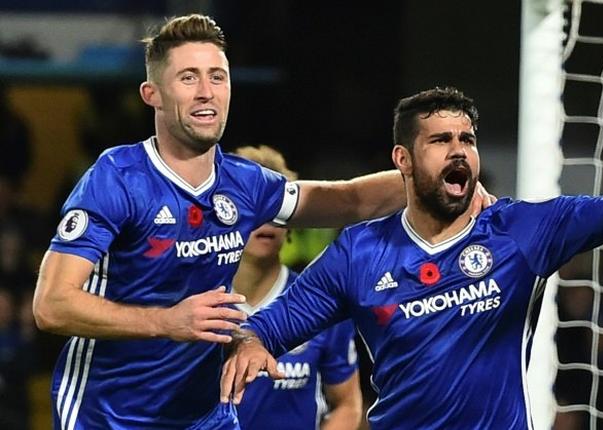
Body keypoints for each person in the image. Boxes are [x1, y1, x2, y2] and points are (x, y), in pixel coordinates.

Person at [220, 87, 603, 429]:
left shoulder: (521, 230)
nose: (459, 151)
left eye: (467, 140)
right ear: (404, 160)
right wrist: (251, 344)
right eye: (441, 141)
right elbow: (274, 325)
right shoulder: (359, 252)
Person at [31, 14, 435, 429]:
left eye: (217, 77)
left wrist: (433, 174)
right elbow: (52, 305)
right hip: (110, 415)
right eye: (188, 78)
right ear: (151, 93)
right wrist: (166, 321)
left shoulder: (245, 184)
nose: (207, 92)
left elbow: (348, 200)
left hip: (207, 414)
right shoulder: (117, 178)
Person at [232, 145, 361, 430]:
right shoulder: (198, 302)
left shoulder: (322, 302)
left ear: (292, 222)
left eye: (276, 208)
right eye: (253, 206)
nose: (266, 219)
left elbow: (348, 405)